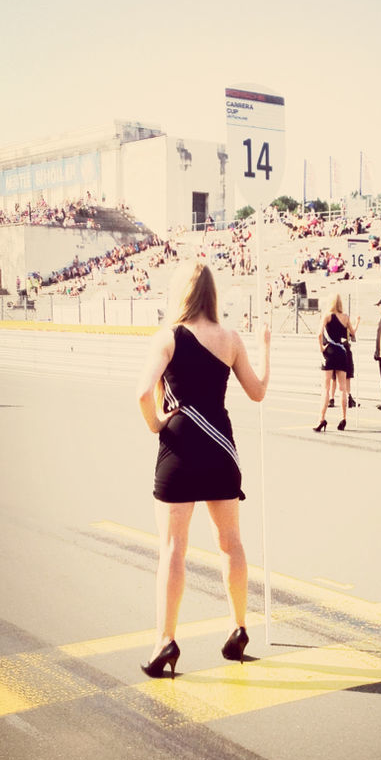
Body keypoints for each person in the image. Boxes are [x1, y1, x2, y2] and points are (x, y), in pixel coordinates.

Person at [135, 262, 271, 678]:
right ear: (213, 295)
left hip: (178, 448)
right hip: (220, 450)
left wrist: (158, 422)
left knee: (173, 548)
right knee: (230, 542)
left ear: (181, 294)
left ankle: (165, 642)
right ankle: (239, 628)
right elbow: (257, 391)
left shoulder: (168, 338)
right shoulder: (230, 339)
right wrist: (266, 347)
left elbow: (143, 393)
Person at [313, 293, 358, 432]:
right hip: (341, 351)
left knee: (326, 388)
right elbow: (352, 334)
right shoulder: (345, 317)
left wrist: (321, 348)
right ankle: (343, 418)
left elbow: (319, 334)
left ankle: (322, 419)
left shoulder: (327, 315)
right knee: (342, 388)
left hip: (329, 352)